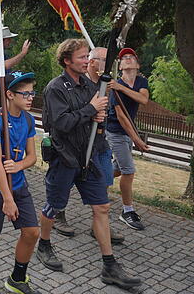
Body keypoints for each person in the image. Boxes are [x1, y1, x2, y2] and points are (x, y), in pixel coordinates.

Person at [36, 39, 141, 290]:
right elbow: (59, 124)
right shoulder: (55, 88)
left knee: (102, 207)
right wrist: (90, 109)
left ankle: (110, 265)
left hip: (89, 157)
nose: (87, 61)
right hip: (65, 158)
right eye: (82, 57)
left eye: (87, 57)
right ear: (67, 60)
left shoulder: (89, 86)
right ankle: (44, 243)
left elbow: (92, 117)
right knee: (54, 205)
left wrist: (98, 116)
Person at [0, 72, 40, 294]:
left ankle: (17, 278)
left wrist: (19, 166)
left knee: (32, 232)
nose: (31, 97)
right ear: (10, 95)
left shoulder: (28, 119)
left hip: (19, 184)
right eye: (26, 93)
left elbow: (32, 157)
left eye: (33, 92)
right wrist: (7, 199)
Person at [54, 47, 126, 243]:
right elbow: (62, 121)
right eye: (103, 60)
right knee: (63, 187)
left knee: (102, 187)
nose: (108, 64)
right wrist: (92, 110)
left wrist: (99, 114)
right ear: (94, 62)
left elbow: (104, 115)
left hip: (99, 144)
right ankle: (54, 216)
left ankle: (100, 226)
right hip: (73, 149)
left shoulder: (102, 86)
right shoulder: (64, 87)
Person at [106, 47, 149, 230]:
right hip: (116, 131)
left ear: (137, 65)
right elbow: (122, 117)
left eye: (132, 57)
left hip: (126, 133)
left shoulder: (140, 81)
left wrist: (121, 87)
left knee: (116, 168)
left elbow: (143, 99)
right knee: (128, 170)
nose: (128, 59)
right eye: (125, 58)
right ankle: (127, 211)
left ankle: (96, 185)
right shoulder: (113, 87)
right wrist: (137, 140)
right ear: (120, 65)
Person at [0, 26, 31, 111]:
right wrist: (22, 53)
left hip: (2, 92)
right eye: (8, 39)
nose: (10, 42)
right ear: (1, 40)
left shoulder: (2, 54)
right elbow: (4, 66)